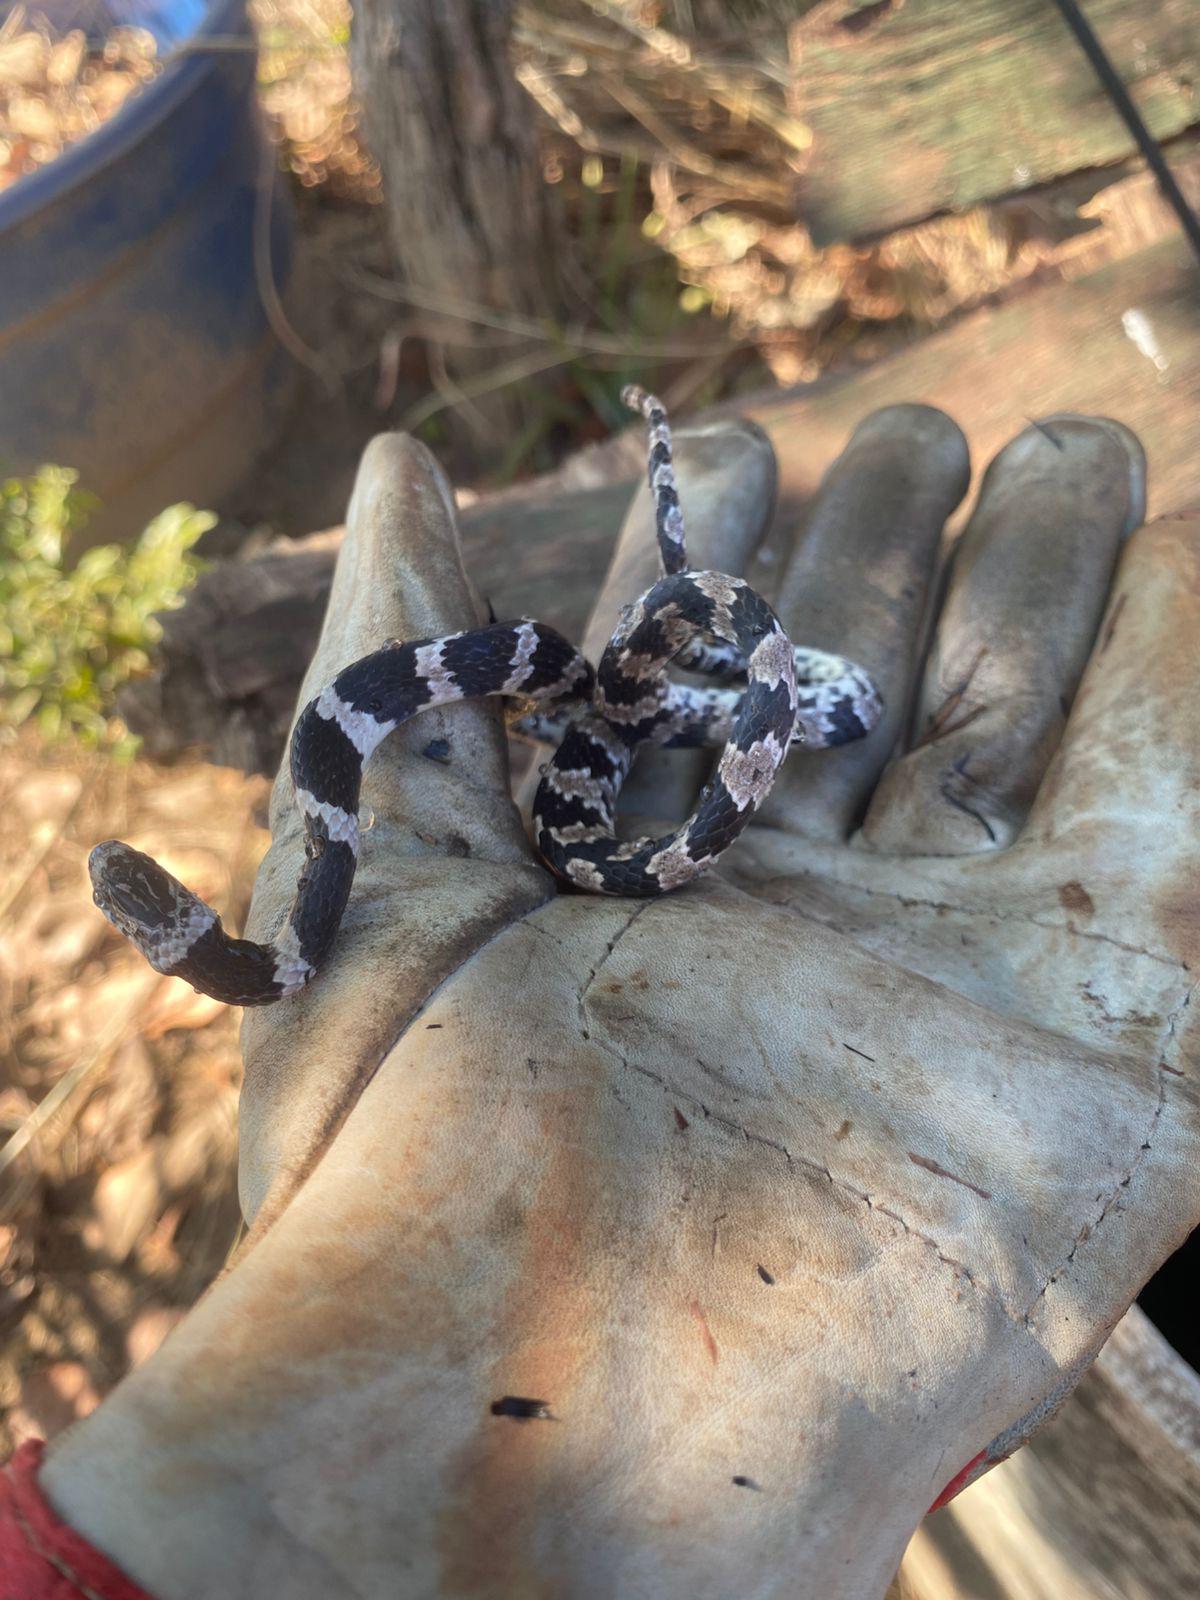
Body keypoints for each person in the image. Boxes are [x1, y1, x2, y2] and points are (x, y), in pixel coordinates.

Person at [4, 403, 1196, 1600]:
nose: (152, 898)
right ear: (205, 947)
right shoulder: (308, 944)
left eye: (160, 911)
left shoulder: (327, 900)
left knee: (646, 707)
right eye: (170, 919)